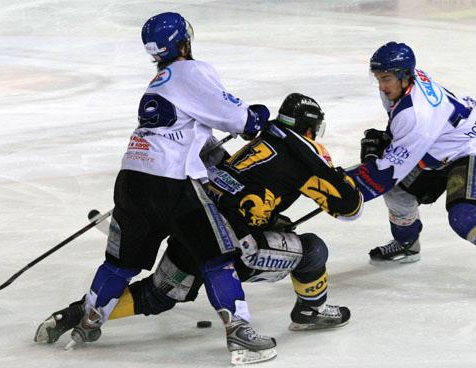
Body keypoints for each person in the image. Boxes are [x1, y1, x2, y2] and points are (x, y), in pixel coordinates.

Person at [35, 93, 362, 346]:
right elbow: (349, 207)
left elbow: (238, 184)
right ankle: (310, 310)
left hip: (197, 223)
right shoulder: (306, 153)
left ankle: (79, 313)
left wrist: (270, 218)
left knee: (158, 295)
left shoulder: (261, 140)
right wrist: (344, 172)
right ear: (310, 126)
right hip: (237, 246)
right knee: (313, 249)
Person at [62, 11, 277, 365]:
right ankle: (240, 333)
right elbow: (236, 118)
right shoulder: (191, 71)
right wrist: (256, 117)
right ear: (183, 42)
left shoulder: (158, 81)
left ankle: (88, 323)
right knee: (216, 258)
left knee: (120, 264)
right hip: (173, 182)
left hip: (131, 180)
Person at [345, 41, 476, 301]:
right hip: (442, 144)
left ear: (404, 76)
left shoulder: (417, 114)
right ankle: (407, 245)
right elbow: (400, 139)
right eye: (378, 78)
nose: (382, 86)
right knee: (398, 191)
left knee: (463, 214)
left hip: (475, 147)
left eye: (386, 79)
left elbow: (385, 174)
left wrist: (340, 187)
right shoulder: (402, 88)